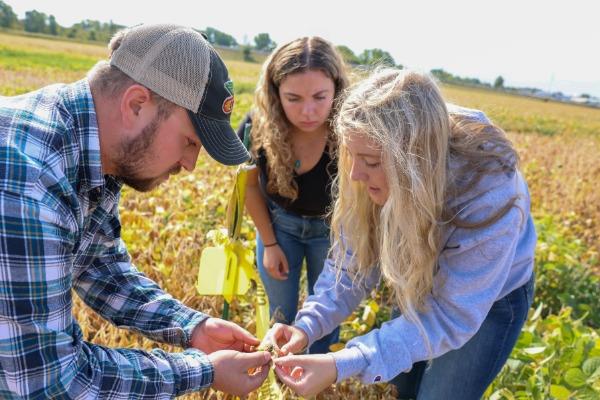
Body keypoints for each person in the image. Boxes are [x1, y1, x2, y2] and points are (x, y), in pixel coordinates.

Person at [0, 24, 272, 399]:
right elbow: (52, 383)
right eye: (190, 141)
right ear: (136, 104)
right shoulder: (28, 181)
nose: (190, 164)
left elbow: (101, 267)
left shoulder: (91, 148)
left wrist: (192, 327)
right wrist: (202, 371)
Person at [270, 68, 536, 399]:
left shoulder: (488, 190)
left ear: (414, 162)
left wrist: (342, 363)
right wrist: (305, 327)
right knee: (403, 387)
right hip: (418, 273)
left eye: (369, 161)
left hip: (488, 298)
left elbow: (450, 316)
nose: (354, 174)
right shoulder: (380, 155)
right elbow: (351, 265)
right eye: (352, 157)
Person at [237, 36, 349, 354]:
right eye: (293, 98)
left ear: (337, 90)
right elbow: (246, 186)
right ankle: (282, 374)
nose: (308, 110)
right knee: (281, 314)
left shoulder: (351, 130)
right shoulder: (259, 126)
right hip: (279, 228)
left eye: (319, 96)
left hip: (331, 233)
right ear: (275, 94)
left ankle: (315, 374)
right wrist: (270, 243)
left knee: (326, 316)